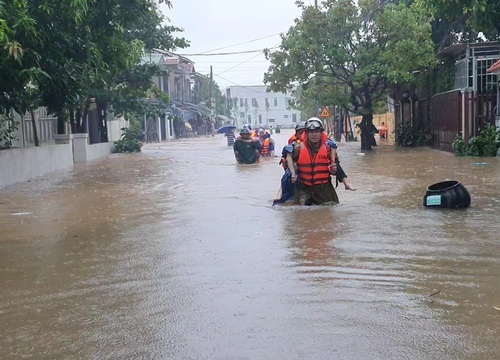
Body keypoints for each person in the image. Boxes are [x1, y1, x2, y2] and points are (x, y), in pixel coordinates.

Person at [286, 118, 354, 205]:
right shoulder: (297, 149)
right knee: (301, 212)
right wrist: (293, 173)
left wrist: (346, 183)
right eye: (311, 132)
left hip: (324, 188)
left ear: (321, 133)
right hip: (304, 188)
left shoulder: (329, 149)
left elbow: (338, 168)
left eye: (317, 131)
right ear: (306, 133)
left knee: (330, 209)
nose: (314, 134)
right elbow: (288, 161)